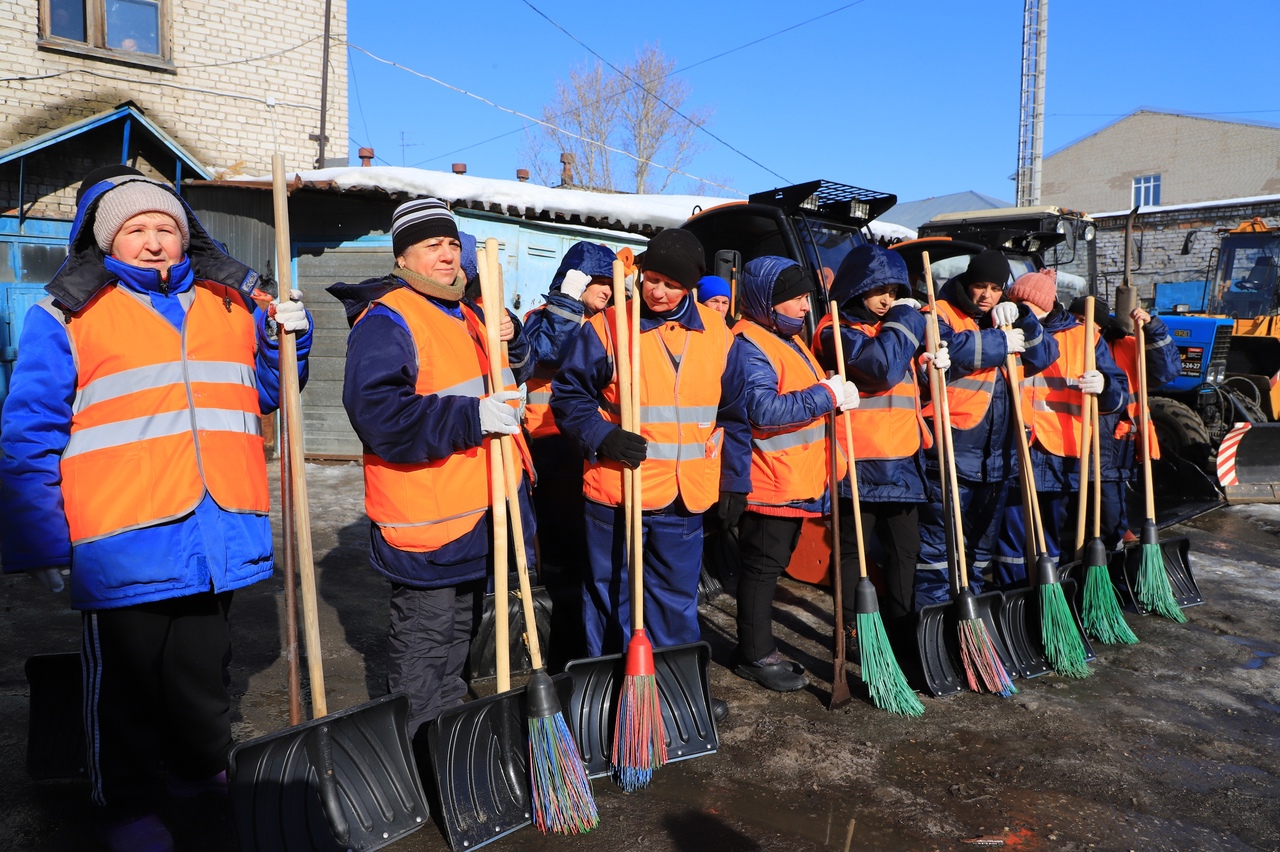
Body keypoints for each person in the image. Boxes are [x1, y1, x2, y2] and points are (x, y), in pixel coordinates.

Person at [0, 169, 312, 852]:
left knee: (204, 675)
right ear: (109, 239)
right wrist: (41, 539)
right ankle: (127, 804)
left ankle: (199, 775)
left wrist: (288, 335)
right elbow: (29, 430)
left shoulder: (230, 303)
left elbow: (269, 390)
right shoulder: (66, 314)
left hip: (215, 529)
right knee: (127, 692)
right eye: (136, 229)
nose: (152, 241)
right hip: (121, 536)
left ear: (184, 236)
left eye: (164, 228)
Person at [327, 198, 535, 742]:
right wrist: (473, 417)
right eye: (430, 246)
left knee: (455, 637)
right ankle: (424, 748)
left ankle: (451, 742)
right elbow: (380, 416)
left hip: (474, 511)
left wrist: (514, 354)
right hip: (426, 518)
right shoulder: (389, 318)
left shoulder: (464, 313)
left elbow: (492, 387)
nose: (446, 256)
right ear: (405, 256)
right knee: (424, 639)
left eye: (449, 244)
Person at [550, 228, 749, 711]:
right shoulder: (608, 328)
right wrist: (604, 436)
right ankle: (615, 698)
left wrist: (735, 481)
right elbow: (568, 397)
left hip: (685, 496)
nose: (657, 292)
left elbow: (734, 413)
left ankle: (677, 692)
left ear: (693, 286)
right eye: (651, 279)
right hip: (620, 492)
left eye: (671, 284)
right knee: (612, 596)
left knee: (676, 599)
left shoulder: (718, 333)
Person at [730, 256, 858, 691]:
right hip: (768, 480)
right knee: (762, 569)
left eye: (806, 296)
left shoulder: (786, 338)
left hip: (794, 478)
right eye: (795, 298)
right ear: (766, 301)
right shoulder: (750, 344)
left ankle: (757, 648)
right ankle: (754, 655)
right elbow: (762, 411)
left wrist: (834, 393)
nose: (806, 306)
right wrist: (825, 394)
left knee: (771, 565)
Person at [913, 249, 1058, 609]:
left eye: (995, 288)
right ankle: (933, 618)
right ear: (967, 283)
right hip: (951, 451)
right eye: (980, 286)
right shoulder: (939, 311)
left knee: (979, 552)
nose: (986, 295)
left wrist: (1024, 318)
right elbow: (948, 349)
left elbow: (1043, 355)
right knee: (938, 551)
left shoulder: (1005, 318)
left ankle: (972, 619)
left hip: (998, 458)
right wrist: (1000, 342)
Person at [813, 244, 937, 645]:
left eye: (895, 290)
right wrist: (906, 316)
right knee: (853, 553)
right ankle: (854, 629)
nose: (888, 299)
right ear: (857, 288)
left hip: (902, 463)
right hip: (858, 465)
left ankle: (902, 633)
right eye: (879, 289)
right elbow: (881, 368)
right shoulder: (836, 331)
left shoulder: (893, 329)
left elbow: (912, 363)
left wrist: (935, 358)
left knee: (905, 553)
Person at [994, 269, 1127, 579]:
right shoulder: (1005, 331)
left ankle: (1053, 600)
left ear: (1048, 304)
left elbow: (1117, 398)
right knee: (1010, 539)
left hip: (1061, 455)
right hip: (1015, 451)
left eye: (1028, 304)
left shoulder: (1085, 339)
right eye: (1015, 302)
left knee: (1054, 537)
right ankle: (1012, 601)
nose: (1021, 310)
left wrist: (1105, 385)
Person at [521, 242, 617, 641]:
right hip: (552, 446)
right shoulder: (541, 318)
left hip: (597, 445)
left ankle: (593, 634)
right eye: (598, 279)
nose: (607, 289)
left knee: (595, 553)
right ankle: (561, 640)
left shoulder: (612, 326)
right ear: (573, 279)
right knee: (561, 549)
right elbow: (549, 356)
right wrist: (566, 304)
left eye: (611, 282)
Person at [1068, 298, 1180, 549]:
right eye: (1075, 319)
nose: (1078, 327)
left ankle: (1112, 555)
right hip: (1072, 437)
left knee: (1109, 505)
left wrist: (1152, 328)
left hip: (1115, 442)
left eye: (1085, 322)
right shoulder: (1063, 344)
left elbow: (1167, 371)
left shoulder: (1127, 346)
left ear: (1102, 327)